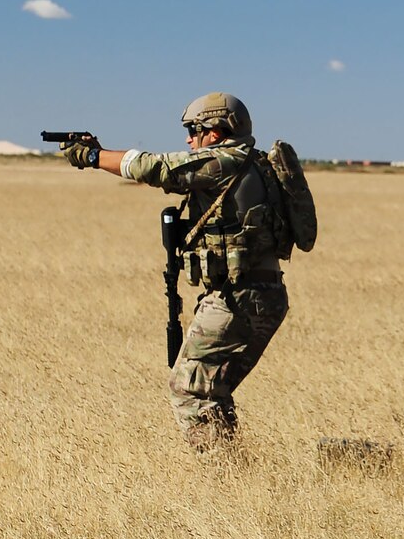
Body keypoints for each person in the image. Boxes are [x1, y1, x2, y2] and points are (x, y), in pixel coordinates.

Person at [60, 92, 295, 452]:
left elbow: (155, 168)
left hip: (239, 298)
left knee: (188, 387)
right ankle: (235, 472)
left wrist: (92, 157)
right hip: (260, 294)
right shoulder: (256, 163)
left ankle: (221, 473)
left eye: (193, 129)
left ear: (215, 132)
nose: (188, 139)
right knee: (210, 388)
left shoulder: (224, 163)